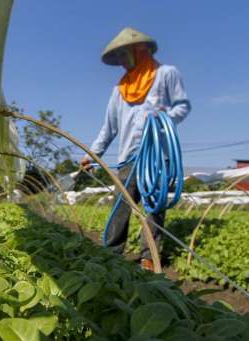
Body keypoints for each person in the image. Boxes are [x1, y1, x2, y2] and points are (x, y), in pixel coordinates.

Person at [80, 27, 191, 270]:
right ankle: (112, 252)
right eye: (117, 57)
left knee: (154, 207)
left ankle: (149, 256)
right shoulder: (119, 90)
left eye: (124, 56)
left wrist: (164, 119)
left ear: (139, 51)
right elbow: (109, 128)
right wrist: (92, 154)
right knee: (121, 205)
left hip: (157, 156)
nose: (121, 62)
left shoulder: (166, 75)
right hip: (128, 157)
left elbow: (182, 107)